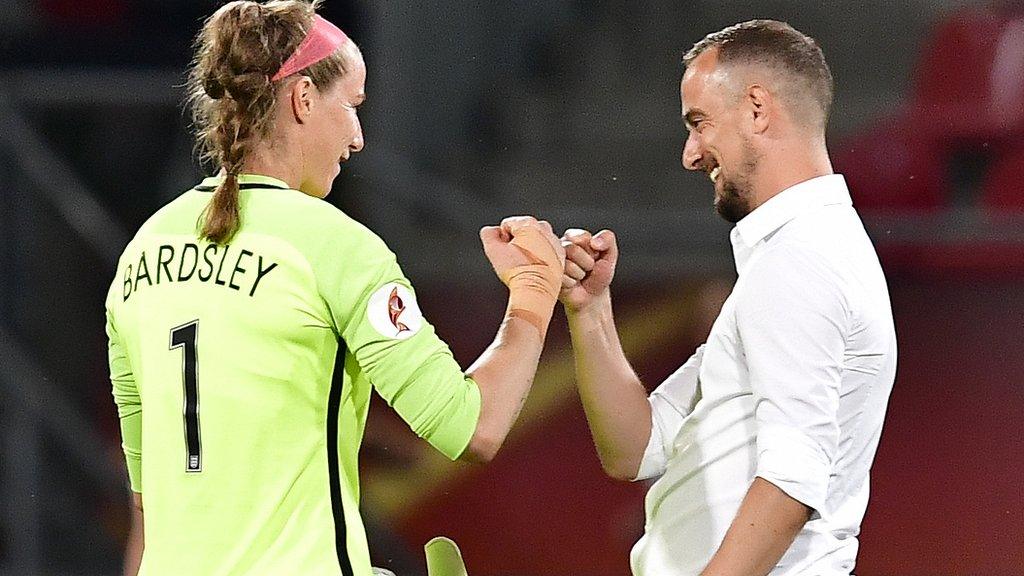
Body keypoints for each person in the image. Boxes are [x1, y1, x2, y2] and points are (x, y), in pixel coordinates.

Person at [105, 2, 564, 575]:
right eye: (351, 105)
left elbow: (146, 515)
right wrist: (533, 294)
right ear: (302, 99)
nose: (358, 137)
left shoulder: (141, 255)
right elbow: (470, 427)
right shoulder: (336, 248)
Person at [558, 20, 897, 576]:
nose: (691, 154)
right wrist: (590, 309)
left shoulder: (800, 261)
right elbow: (637, 447)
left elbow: (792, 480)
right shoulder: (796, 255)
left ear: (758, 108)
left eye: (699, 123)